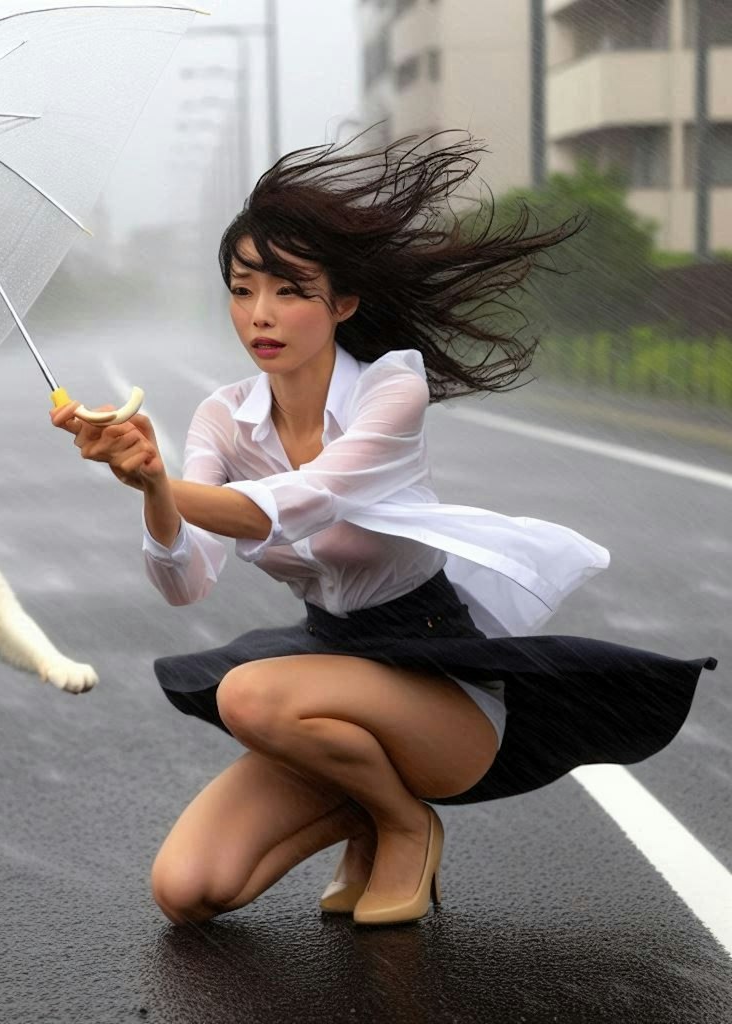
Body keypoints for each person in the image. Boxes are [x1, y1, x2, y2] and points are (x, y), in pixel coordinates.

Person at [50, 131, 717, 928]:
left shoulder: (389, 392)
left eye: (290, 290)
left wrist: (161, 480)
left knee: (248, 694)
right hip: (324, 676)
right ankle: (365, 807)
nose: (260, 314)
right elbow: (187, 580)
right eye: (241, 289)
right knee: (188, 890)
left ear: (344, 302)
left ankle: (406, 822)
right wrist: (153, 493)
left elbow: (301, 502)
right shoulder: (223, 418)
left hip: (438, 687)